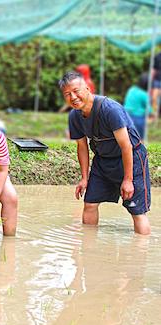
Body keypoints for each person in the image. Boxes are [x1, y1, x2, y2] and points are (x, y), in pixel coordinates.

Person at [59, 71, 151, 235]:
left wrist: (128, 179)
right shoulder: (74, 116)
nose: (73, 97)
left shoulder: (110, 109)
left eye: (76, 90)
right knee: (90, 204)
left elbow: (126, 146)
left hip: (131, 158)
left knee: (136, 210)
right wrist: (84, 178)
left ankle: (141, 252)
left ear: (87, 88)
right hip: (103, 160)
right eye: (67, 94)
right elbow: (82, 147)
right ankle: (88, 248)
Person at [124, 73, 150, 140]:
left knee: (128, 138)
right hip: (138, 118)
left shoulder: (131, 89)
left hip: (125, 116)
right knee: (140, 139)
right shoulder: (144, 94)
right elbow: (149, 110)